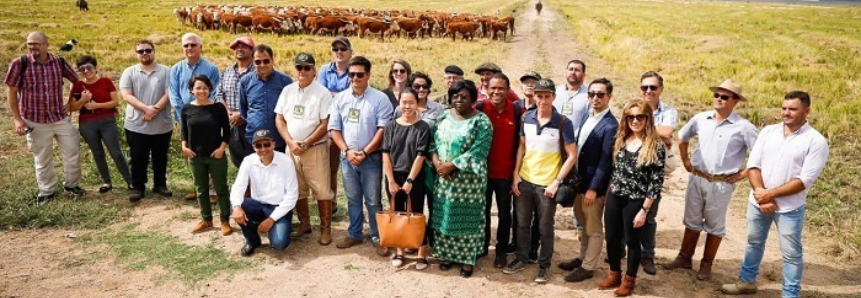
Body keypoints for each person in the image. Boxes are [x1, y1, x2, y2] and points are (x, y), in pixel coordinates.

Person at [721, 91, 829, 298]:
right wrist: (761, 194)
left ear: (807, 111)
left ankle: (790, 294)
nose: (786, 113)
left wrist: (769, 195)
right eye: (784, 108)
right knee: (753, 242)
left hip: (789, 207)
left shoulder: (815, 141)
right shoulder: (768, 131)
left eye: (793, 109)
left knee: (791, 254)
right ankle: (747, 282)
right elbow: (753, 165)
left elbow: (804, 180)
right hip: (758, 202)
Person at [664, 79, 758, 280]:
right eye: (717, 95)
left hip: (722, 183)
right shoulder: (701, 118)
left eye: (725, 97)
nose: (719, 99)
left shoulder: (744, 127)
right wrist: (686, 161)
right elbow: (682, 138)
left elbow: (760, 154)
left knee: (715, 225)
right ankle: (684, 257)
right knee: (692, 220)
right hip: (698, 177)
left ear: (735, 101)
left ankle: (706, 264)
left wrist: (743, 174)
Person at [505, 78, 577, 284]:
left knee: (545, 227)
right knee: (521, 224)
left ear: (554, 97)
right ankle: (521, 258)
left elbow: (572, 155)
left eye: (547, 96)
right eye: (539, 96)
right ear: (534, 96)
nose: (543, 100)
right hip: (525, 179)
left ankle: (544, 265)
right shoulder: (526, 117)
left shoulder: (563, 122)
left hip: (547, 183)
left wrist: (557, 181)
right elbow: (521, 147)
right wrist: (515, 174)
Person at [5, 31, 84, 204]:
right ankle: (47, 191)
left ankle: (72, 185)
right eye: (30, 44)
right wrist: (17, 119)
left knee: (73, 150)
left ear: (46, 45)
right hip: (34, 119)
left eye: (36, 44)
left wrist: (70, 102)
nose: (33, 47)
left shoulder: (59, 62)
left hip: (59, 117)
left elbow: (76, 81)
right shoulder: (20, 63)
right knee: (42, 157)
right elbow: (11, 91)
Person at [599, 100, 665, 297]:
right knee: (611, 237)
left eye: (640, 117)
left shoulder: (655, 146)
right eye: (631, 117)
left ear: (647, 119)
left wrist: (645, 210)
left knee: (632, 241)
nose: (635, 121)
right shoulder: (621, 138)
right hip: (615, 195)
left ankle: (629, 280)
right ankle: (614, 273)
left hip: (636, 200)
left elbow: (655, 182)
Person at [329, 56, 394, 255]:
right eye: (351, 74)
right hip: (348, 158)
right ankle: (354, 233)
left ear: (368, 75)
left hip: (371, 158)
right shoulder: (340, 98)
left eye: (360, 74)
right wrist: (347, 151)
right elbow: (334, 129)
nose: (355, 78)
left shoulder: (380, 98)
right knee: (352, 198)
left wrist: (365, 152)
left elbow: (383, 129)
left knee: (373, 200)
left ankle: (377, 236)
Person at [558, 78, 619, 282]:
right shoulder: (587, 116)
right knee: (582, 225)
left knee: (593, 229)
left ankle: (589, 266)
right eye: (591, 94)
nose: (595, 98)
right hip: (579, 184)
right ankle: (582, 258)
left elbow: (605, 161)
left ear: (608, 97)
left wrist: (594, 188)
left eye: (600, 94)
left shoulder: (611, 125)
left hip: (593, 187)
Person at [430, 80, 493, 278]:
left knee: (467, 219)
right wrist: (438, 164)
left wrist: (452, 165)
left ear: (473, 99)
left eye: (464, 96)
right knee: (445, 216)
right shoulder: (443, 117)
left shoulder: (482, 121)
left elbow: (479, 150)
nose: (459, 100)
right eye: (455, 96)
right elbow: (433, 142)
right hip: (444, 178)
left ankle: (466, 259)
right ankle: (446, 255)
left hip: (468, 182)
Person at [274, 52, 335, 245]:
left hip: (314, 149)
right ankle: (304, 224)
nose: (302, 71)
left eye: (307, 68)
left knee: (322, 190)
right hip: (291, 149)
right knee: (297, 189)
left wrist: (306, 142)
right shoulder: (288, 90)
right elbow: (279, 118)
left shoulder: (322, 93)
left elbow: (325, 123)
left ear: (314, 71)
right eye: (299, 67)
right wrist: (290, 142)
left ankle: (326, 229)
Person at [474, 73, 524, 267]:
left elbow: (521, 145)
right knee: (482, 212)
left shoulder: (517, 111)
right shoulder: (480, 109)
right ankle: (483, 246)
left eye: (500, 88)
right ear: (487, 89)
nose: (496, 92)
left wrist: (515, 174)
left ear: (507, 90)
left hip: (505, 174)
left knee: (505, 214)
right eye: (492, 88)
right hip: (483, 174)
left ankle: (501, 250)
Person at [382, 87, 432, 269]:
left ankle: (421, 253)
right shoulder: (390, 126)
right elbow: (385, 154)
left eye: (411, 102)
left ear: (417, 103)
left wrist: (410, 180)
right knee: (397, 214)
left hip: (415, 176)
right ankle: (400, 251)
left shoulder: (422, 127)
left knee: (416, 214)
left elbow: (420, 155)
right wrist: (390, 180)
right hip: (394, 175)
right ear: (399, 103)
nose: (407, 106)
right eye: (404, 102)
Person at [230, 130, 300, 257]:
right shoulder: (248, 161)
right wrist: (236, 207)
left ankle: (282, 225)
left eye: (266, 144)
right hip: (257, 205)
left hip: (278, 208)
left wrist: (271, 219)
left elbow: (292, 196)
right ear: (253, 147)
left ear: (273, 144)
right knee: (239, 206)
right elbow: (238, 187)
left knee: (279, 244)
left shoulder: (286, 162)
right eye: (258, 145)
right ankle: (252, 241)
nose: (263, 149)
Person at [119, 40, 173, 202]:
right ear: (136, 54)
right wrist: (146, 109)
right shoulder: (129, 72)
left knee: (160, 156)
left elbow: (170, 93)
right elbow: (126, 95)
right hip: (136, 124)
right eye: (140, 51)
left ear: (154, 51)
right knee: (137, 157)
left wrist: (154, 109)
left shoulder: (166, 72)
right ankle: (138, 187)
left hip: (162, 124)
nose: (144, 53)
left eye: (148, 50)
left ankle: (160, 185)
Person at [168, 32, 220, 201]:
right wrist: (183, 114)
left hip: (207, 118)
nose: (189, 48)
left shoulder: (211, 68)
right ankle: (199, 188)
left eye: (193, 45)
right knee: (189, 153)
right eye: (186, 45)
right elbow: (173, 93)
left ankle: (212, 191)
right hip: (185, 119)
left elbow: (215, 92)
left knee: (209, 151)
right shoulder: (176, 69)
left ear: (200, 47)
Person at [69, 55, 131, 193]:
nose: (86, 71)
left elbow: (115, 102)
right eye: (82, 69)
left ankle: (130, 181)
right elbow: (72, 107)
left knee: (116, 152)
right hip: (87, 124)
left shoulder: (106, 81)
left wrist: (97, 105)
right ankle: (106, 182)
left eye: (89, 67)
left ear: (96, 68)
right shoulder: (78, 85)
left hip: (107, 121)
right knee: (97, 153)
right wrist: (83, 99)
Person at [637, 71, 679, 274]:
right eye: (645, 87)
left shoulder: (669, 111)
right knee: (625, 212)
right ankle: (623, 252)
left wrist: (639, 128)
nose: (648, 91)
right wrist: (657, 132)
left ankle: (647, 256)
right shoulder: (635, 107)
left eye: (653, 87)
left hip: (654, 170)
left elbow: (668, 132)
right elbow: (661, 134)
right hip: (633, 168)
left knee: (649, 215)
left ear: (660, 89)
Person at [181, 75, 232, 235]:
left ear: (210, 89)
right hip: (195, 156)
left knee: (221, 188)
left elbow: (227, 131)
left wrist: (222, 148)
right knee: (201, 189)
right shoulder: (186, 109)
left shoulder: (218, 108)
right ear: (191, 90)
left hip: (216, 155)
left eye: (204, 87)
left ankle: (225, 221)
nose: (201, 91)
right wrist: (184, 147)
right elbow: (184, 130)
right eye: (197, 87)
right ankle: (206, 220)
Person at [318, 36, 354, 215]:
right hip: (330, 124)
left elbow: (353, 95)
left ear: (350, 52)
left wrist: (334, 95)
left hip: (350, 124)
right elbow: (322, 94)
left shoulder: (354, 71)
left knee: (353, 165)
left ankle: (354, 203)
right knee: (331, 166)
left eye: (343, 49)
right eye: (336, 49)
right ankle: (331, 202)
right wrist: (341, 96)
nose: (339, 52)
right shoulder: (325, 70)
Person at [239, 44, 294, 153]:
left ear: (272, 60)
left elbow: (289, 109)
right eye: (258, 62)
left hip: (278, 140)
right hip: (253, 140)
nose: (262, 65)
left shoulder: (285, 81)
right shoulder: (245, 81)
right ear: (252, 62)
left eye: (266, 61)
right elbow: (243, 109)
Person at [214, 36, 256, 168]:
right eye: (236, 47)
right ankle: (245, 186)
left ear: (252, 50)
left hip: (251, 123)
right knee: (237, 158)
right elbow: (219, 94)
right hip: (231, 123)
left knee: (255, 159)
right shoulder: (227, 71)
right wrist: (228, 113)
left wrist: (242, 115)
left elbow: (260, 98)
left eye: (244, 46)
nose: (239, 49)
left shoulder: (258, 71)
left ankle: (255, 188)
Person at [553, 59, 590, 134]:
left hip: (575, 142)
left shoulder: (589, 95)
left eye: (577, 70)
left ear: (584, 75)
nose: (573, 72)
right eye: (570, 69)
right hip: (554, 139)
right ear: (566, 72)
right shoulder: (555, 91)